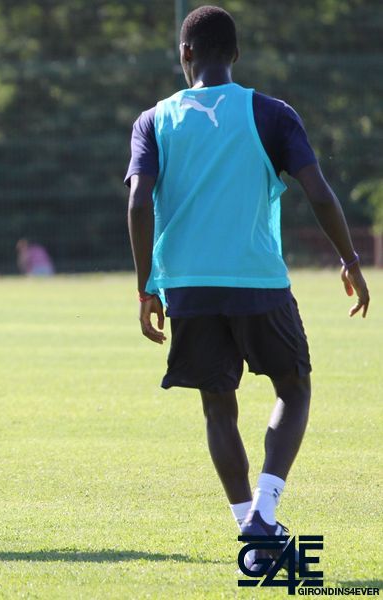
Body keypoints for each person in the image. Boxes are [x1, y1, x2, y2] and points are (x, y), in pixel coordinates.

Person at [125, 5, 369, 561]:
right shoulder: (272, 113)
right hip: (257, 281)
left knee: (218, 407)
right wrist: (350, 259)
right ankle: (265, 512)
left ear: (184, 53)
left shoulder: (153, 120)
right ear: (236, 54)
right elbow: (318, 191)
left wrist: (146, 288)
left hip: (187, 287)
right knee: (294, 388)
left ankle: (249, 528)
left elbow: (138, 202)